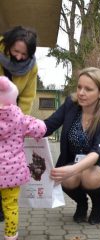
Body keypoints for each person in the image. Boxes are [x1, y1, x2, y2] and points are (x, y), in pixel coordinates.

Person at [44, 67, 100, 225]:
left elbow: (98, 151)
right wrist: (23, 126)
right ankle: (82, 203)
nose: (81, 92)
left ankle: (98, 205)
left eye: (88, 89)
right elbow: (48, 126)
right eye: (79, 87)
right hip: (75, 160)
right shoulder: (70, 104)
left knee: (89, 176)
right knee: (67, 179)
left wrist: (73, 169)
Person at [0, 76, 46, 240]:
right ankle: (11, 235)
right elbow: (41, 128)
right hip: (11, 173)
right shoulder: (19, 118)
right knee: (11, 205)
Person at [0, 25, 38, 222]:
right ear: (7, 44)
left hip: (12, 119)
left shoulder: (31, 67)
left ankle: (4, 203)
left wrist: (18, 121)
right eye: (16, 51)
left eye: (24, 54)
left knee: (7, 163)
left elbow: (27, 97)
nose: (19, 57)